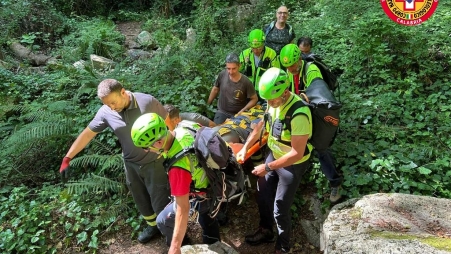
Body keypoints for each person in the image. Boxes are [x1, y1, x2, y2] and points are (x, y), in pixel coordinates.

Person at [58, 79, 170, 244]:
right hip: (130, 165)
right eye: (107, 104)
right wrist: (67, 157)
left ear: (123, 92)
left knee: (161, 199)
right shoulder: (106, 112)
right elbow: (87, 134)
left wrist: (172, 151)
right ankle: (152, 226)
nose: (111, 107)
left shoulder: (146, 101)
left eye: (113, 102)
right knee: (141, 200)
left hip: (154, 162)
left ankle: (172, 233)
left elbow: (168, 123)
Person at [236, 67, 312, 254]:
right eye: (267, 99)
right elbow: (262, 125)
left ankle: (283, 246)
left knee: (280, 208)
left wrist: (267, 167)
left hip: (292, 165)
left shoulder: (299, 114)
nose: (269, 103)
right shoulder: (273, 103)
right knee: (262, 194)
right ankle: (266, 230)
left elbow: (297, 153)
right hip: (274, 154)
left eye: (272, 99)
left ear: (285, 92)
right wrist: (245, 148)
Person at [131, 113, 221, 253]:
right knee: (207, 218)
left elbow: (182, 208)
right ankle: (214, 244)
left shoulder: (178, 166)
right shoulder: (184, 127)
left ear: (158, 143)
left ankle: (185, 243)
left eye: (147, 147)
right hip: (214, 182)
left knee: (163, 220)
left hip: (202, 194)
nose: (147, 151)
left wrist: (175, 246)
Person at [279, 43, 343, 202]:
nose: (291, 69)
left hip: (314, 110)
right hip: (301, 111)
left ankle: (335, 183)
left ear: (299, 59)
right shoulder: (288, 71)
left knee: (321, 147)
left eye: (293, 65)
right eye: (287, 66)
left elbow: (317, 90)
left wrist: (301, 97)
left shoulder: (311, 70)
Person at [207, 53, 258, 125]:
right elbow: (215, 89)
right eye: (228, 68)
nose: (231, 72)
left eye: (234, 68)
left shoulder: (246, 81)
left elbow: (254, 99)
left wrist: (243, 110)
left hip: (237, 115)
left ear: (239, 66)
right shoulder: (222, 74)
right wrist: (208, 104)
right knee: (216, 132)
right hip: (222, 112)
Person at [240, 29, 279, 102]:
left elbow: (277, 74)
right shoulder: (244, 54)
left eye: (258, 48)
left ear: (263, 44)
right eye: (253, 48)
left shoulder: (271, 54)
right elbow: (237, 70)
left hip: (265, 91)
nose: (255, 51)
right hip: (248, 91)